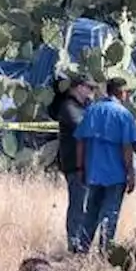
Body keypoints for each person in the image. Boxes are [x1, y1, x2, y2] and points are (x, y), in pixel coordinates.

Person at [75, 78, 136, 252]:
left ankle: (82, 249)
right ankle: (105, 251)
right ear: (121, 92)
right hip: (116, 174)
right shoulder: (125, 115)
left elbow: (80, 141)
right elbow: (127, 147)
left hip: (94, 172)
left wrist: (80, 167)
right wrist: (131, 173)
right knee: (109, 214)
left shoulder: (92, 110)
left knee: (91, 212)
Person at [46, 75, 95, 253]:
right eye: (89, 88)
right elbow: (84, 128)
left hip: (87, 163)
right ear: (77, 87)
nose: (91, 92)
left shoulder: (84, 107)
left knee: (86, 204)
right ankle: (74, 243)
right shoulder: (68, 107)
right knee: (78, 204)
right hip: (74, 164)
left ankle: (83, 243)